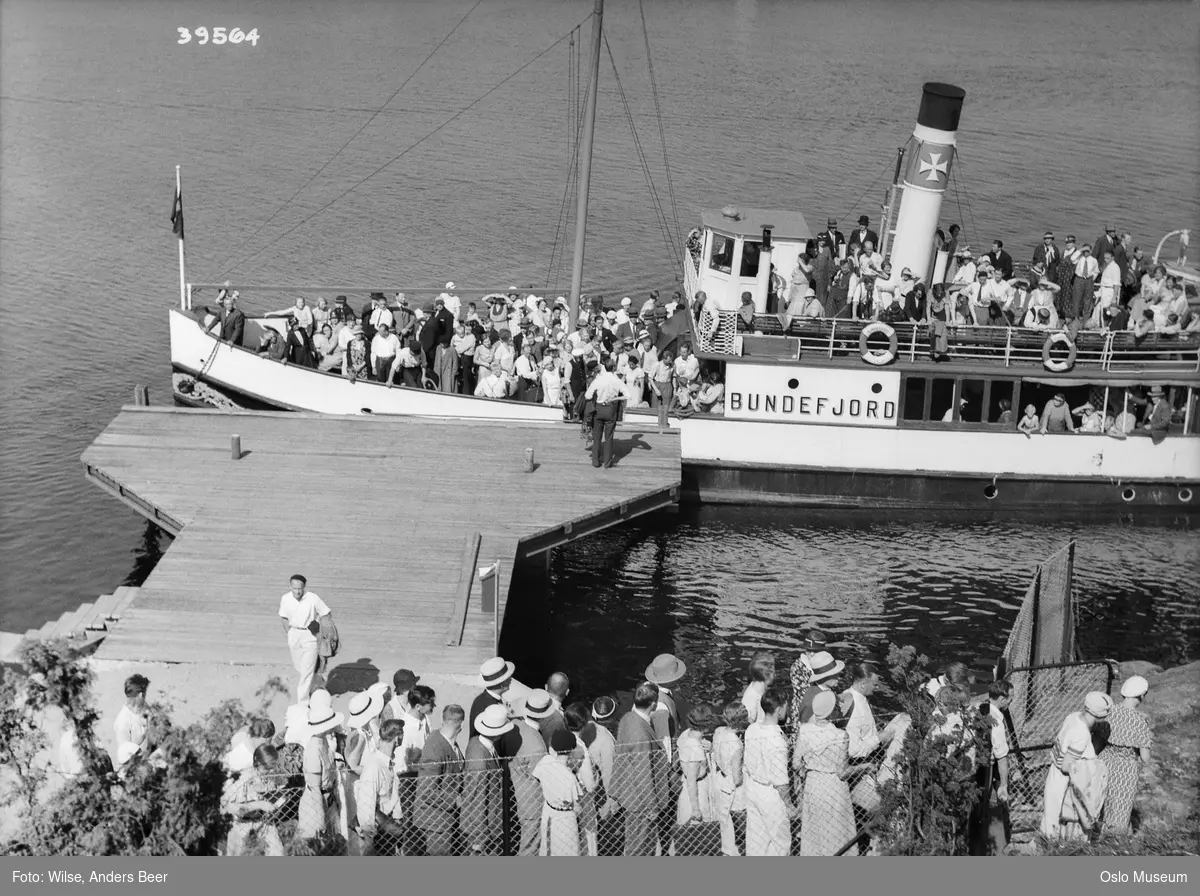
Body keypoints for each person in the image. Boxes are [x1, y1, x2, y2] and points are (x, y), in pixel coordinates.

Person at [1040, 691, 1112, 840]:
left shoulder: (1073, 717)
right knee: (1063, 818)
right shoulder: (1082, 734)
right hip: (1065, 781)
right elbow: (1066, 766)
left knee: (1051, 816)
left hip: (1054, 772)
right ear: (1100, 714)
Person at [612, 681, 670, 856]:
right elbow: (643, 773)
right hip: (640, 801)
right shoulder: (641, 735)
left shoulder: (628, 718)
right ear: (653, 704)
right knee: (639, 849)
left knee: (635, 845)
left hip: (629, 792)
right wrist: (651, 807)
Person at [793, 690, 856, 856]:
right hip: (834, 787)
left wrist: (809, 767)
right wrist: (864, 767)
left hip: (813, 784)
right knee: (836, 831)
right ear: (831, 710)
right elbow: (842, 772)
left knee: (814, 832)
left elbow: (795, 762)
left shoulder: (805, 730)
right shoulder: (840, 736)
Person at [742, 688, 795, 856]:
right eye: (786, 707)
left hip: (753, 788)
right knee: (780, 841)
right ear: (779, 710)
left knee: (756, 839)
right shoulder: (777, 741)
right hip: (771, 794)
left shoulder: (752, 729)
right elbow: (781, 781)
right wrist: (789, 805)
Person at [1098, 676, 1153, 833]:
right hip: (1125, 767)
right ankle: (1115, 838)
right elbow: (1145, 757)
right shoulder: (1139, 721)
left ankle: (1097, 831)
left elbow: (1099, 741)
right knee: (1120, 804)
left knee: (1102, 799)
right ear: (1142, 696)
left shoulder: (1109, 713)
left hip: (1105, 760)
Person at [840, 662, 893, 814]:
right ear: (863, 683)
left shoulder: (853, 696)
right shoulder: (855, 708)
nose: (877, 689)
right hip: (859, 766)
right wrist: (879, 738)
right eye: (874, 685)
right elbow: (854, 750)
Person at [414, 705, 466, 856]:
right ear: (460, 724)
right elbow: (426, 791)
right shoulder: (435, 748)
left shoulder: (449, 742)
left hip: (446, 818)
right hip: (436, 822)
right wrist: (455, 800)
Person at [463, 704, 511, 855]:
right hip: (484, 832)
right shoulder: (480, 761)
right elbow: (477, 800)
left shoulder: (477, 741)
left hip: (489, 825)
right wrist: (479, 839)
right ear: (498, 734)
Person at [222, 743, 286, 856]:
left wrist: (276, 807)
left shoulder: (271, 778)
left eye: (273, 767)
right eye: (267, 768)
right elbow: (231, 809)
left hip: (266, 825)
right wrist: (259, 804)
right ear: (257, 763)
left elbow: (271, 803)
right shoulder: (243, 778)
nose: (271, 771)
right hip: (243, 828)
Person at [354, 718, 405, 856]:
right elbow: (366, 802)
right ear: (397, 738)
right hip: (376, 831)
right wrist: (369, 836)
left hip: (387, 829)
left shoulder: (388, 763)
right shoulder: (374, 766)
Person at [277, 574, 331, 704]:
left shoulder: (313, 598)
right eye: (294, 588)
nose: (297, 591)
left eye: (299, 588)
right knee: (300, 667)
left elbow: (326, 613)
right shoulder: (285, 599)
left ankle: (303, 702)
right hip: (294, 634)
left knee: (306, 671)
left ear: (304, 587)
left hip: (310, 635)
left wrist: (322, 627)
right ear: (290, 586)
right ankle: (317, 682)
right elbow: (283, 617)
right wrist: (289, 633)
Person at [297, 689, 344, 839]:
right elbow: (315, 788)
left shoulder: (322, 742)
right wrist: (320, 818)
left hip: (328, 799)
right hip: (315, 804)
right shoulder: (313, 751)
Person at [510, 693, 550, 856]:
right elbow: (542, 778)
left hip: (516, 794)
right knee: (530, 849)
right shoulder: (537, 746)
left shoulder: (516, 725)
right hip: (532, 804)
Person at [676, 704, 719, 849]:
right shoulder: (694, 751)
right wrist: (696, 808)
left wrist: (709, 747)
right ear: (706, 726)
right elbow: (692, 782)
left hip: (689, 787)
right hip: (696, 793)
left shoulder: (686, 734)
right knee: (698, 838)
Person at [712, 701, 748, 856]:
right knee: (740, 824)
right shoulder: (736, 746)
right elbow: (737, 778)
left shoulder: (719, 732)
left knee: (725, 823)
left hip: (720, 778)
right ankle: (739, 851)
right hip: (734, 786)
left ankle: (728, 850)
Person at [584, 358, 632, 469]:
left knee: (597, 437)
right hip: (610, 409)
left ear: (604, 367)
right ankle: (607, 462)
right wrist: (615, 398)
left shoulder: (598, 379)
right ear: (614, 367)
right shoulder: (617, 380)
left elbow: (587, 396)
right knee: (609, 437)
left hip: (598, 409)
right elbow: (628, 396)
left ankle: (595, 461)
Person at [113, 674, 151, 759]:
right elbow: (125, 753)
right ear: (140, 695)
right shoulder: (123, 722)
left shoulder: (144, 707)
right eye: (144, 693)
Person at [741, 651, 775, 725]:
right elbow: (749, 721)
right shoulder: (752, 695)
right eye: (774, 672)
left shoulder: (762, 690)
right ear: (769, 675)